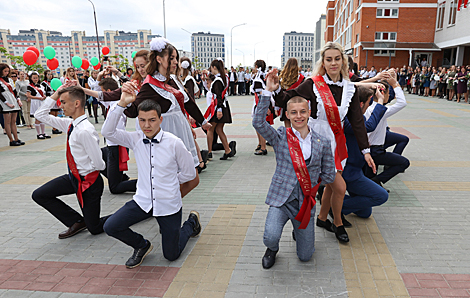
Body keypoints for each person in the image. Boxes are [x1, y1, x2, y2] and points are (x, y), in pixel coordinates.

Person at [271, 42, 375, 243]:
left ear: (343, 61)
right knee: (336, 187)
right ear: (323, 62)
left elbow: (357, 121)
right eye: (329, 59)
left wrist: (366, 150)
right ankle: (336, 223)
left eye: (337, 58)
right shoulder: (313, 84)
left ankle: (321, 218)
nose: (333, 63)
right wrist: (276, 91)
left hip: (336, 144)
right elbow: (289, 98)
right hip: (315, 143)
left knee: (329, 185)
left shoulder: (350, 88)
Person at [102, 94, 201, 268]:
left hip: (168, 204)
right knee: (110, 226)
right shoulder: (135, 139)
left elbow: (189, 174)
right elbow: (107, 132)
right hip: (143, 201)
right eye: (142, 120)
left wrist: (169, 182)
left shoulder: (174, 143)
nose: (147, 125)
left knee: (171, 255)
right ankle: (142, 245)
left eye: (152, 120)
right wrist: (121, 104)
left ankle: (191, 223)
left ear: (160, 119)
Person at [253, 86, 335, 269]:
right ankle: (272, 249)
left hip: (305, 203)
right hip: (281, 199)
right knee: (270, 235)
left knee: (305, 256)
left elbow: (329, 175)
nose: (299, 116)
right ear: (287, 115)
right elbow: (258, 123)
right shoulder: (281, 136)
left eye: (302, 112)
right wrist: (267, 92)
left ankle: (299, 231)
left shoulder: (323, 142)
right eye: (294, 112)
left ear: (309, 113)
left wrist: (312, 184)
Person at [32, 85, 108, 239]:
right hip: (74, 177)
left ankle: (125, 215)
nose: (60, 106)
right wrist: (57, 93)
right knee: (40, 195)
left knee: (95, 227)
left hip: (89, 183)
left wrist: (87, 171)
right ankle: (77, 221)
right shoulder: (70, 124)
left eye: (64, 102)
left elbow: (100, 164)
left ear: (77, 103)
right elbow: (40, 114)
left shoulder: (85, 130)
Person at [342, 85, 389, 218]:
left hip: (356, 169)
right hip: (350, 172)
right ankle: (335, 206)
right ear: (361, 103)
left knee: (365, 212)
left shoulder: (349, 116)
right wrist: (380, 102)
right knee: (381, 196)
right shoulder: (348, 119)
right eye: (369, 104)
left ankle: (333, 200)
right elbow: (369, 126)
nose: (369, 107)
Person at [364, 73, 409, 186]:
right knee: (404, 162)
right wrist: (395, 85)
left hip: (367, 149)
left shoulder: (368, 108)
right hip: (375, 150)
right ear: (382, 94)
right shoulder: (381, 110)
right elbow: (402, 103)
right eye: (389, 93)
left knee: (369, 175)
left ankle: (374, 184)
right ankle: (377, 182)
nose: (389, 96)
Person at [98, 78, 137, 194]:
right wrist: (100, 76)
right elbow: (99, 95)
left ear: (109, 91)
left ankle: (147, 184)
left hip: (116, 147)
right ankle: (119, 177)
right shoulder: (111, 102)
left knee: (114, 188)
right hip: (111, 147)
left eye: (103, 91)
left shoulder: (117, 106)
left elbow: (118, 131)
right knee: (92, 156)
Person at [205, 58, 236, 160]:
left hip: (218, 106)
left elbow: (219, 96)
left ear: (214, 67)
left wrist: (219, 110)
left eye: (211, 68)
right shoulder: (224, 77)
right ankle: (227, 150)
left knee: (210, 129)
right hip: (223, 105)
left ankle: (209, 152)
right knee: (219, 129)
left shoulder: (218, 80)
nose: (210, 70)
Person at [251, 59, 272, 155]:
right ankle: (260, 144)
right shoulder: (261, 75)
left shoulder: (260, 77)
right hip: (260, 103)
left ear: (256, 67)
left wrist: (265, 106)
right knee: (257, 124)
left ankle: (263, 147)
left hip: (261, 103)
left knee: (261, 125)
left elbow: (260, 93)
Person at [278, 58, 305, 128]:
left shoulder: (282, 78)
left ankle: (289, 138)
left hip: (286, 104)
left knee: (288, 128)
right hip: (297, 103)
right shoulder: (300, 78)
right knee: (297, 126)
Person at [0, 64, 23, 146]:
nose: (6, 73)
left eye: (7, 71)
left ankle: (16, 138)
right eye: (5, 71)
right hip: (4, 102)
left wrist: (18, 99)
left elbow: (14, 91)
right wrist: (7, 103)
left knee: (13, 121)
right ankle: (11, 140)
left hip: (13, 100)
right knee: (7, 121)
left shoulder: (9, 80)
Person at [27, 71, 49, 139]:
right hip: (35, 102)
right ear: (31, 78)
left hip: (41, 102)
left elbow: (43, 93)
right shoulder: (29, 86)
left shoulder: (41, 86)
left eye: (36, 78)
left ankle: (43, 132)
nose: (35, 79)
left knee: (42, 118)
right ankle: (38, 134)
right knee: (37, 118)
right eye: (34, 78)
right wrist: (38, 98)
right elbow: (28, 95)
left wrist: (44, 96)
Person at [41, 70, 62, 135]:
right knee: (52, 114)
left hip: (56, 99)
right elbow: (43, 91)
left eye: (51, 74)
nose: (50, 76)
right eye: (48, 74)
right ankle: (54, 128)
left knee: (56, 114)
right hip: (50, 99)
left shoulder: (54, 81)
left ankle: (56, 127)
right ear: (45, 75)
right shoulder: (44, 83)